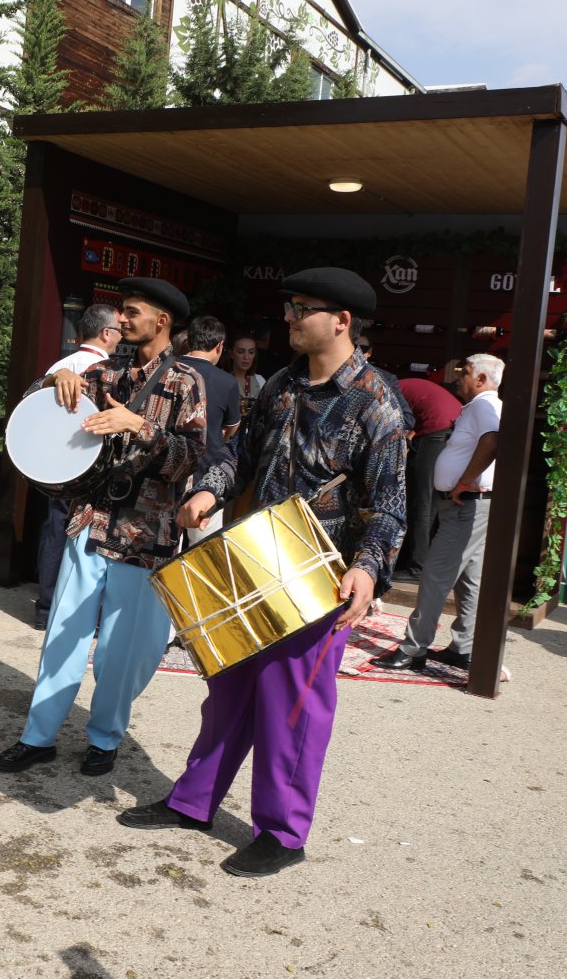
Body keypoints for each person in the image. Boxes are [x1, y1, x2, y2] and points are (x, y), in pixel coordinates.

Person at [120, 267, 406, 879]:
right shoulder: (281, 383)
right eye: (290, 306)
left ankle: (282, 831)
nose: (289, 317)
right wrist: (210, 488)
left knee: (292, 707)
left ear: (341, 321)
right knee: (228, 691)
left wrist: (367, 567)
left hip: (322, 575)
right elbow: (240, 454)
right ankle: (193, 801)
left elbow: (389, 503)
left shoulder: (378, 402)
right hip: (257, 558)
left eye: (302, 308)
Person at [0, 277, 206, 778]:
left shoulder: (185, 381)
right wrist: (55, 383)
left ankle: (104, 738)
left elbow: (191, 459)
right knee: (62, 637)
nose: (121, 319)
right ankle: (38, 736)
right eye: (121, 311)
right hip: (89, 523)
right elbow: (35, 410)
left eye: (132, 312)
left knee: (121, 649)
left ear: (162, 321)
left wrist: (139, 427)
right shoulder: (102, 372)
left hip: (144, 536)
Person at [372, 353, 503, 671]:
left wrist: (464, 482)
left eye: (465, 372)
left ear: (481, 379)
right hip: (471, 505)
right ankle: (463, 647)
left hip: (465, 504)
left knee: (435, 577)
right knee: (469, 580)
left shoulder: (483, 406)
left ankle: (413, 649)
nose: (458, 377)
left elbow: (491, 442)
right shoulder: (486, 406)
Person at [32, 304, 123, 630]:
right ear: (106, 333)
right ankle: (64, 611)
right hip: (85, 465)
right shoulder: (103, 370)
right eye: (119, 329)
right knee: (75, 535)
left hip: (55, 461)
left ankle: (45, 609)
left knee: (55, 530)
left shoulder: (61, 366)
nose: (122, 335)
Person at [176, 315, 242, 543]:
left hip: (166, 471)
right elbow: (233, 427)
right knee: (201, 549)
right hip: (206, 474)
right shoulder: (227, 381)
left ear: (190, 340)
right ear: (220, 346)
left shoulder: (167, 370)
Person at [394, 373, 464, 578]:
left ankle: (416, 567)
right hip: (451, 430)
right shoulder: (404, 386)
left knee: (421, 503)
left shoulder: (387, 390)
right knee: (431, 503)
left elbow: (393, 426)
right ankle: (421, 563)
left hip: (437, 433)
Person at [224, 333, 266, 420]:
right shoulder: (222, 380)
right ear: (231, 353)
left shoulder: (260, 380)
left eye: (251, 352)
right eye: (240, 352)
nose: (246, 357)